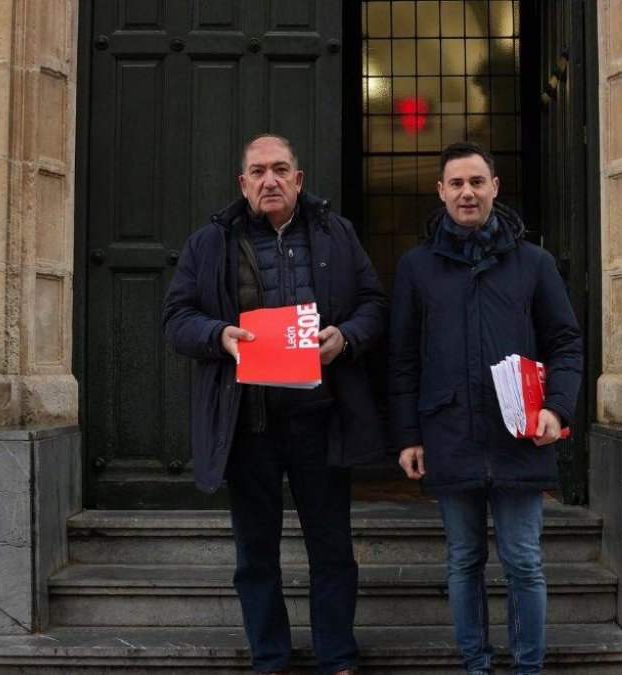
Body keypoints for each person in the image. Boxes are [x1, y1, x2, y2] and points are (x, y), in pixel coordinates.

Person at [162, 134, 386, 675]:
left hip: (319, 420)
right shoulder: (209, 243)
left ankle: (337, 658)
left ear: (299, 178)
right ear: (243, 184)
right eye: (258, 172)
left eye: (280, 169)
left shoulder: (336, 233)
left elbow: (374, 304)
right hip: (249, 425)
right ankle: (271, 659)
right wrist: (220, 336)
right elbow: (176, 319)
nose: (270, 180)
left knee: (332, 549)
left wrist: (347, 337)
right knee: (255, 554)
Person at [388, 141, 583, 674]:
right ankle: (476, 665)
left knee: (524, 562)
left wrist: (559, 410)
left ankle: (527, 668)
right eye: (456, 183)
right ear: (441, 192)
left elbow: (565, 343)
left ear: (496, 187)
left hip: (519, 435)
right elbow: (402, 358)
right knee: (463, 561)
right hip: (449, 433)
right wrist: (408, 435)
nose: (467, 193)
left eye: (477, 182)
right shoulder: (416, 267)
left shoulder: (534, 264)